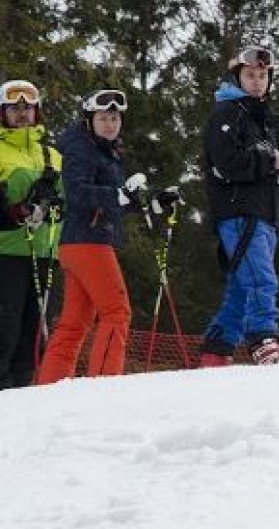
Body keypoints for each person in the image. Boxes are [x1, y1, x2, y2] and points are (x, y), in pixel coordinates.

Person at [37, 90, 177, 383]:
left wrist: (150, 201)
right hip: (88, 241)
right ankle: (103, 385)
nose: (110, 124)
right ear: (90, 120)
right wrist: (118, 194)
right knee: (116, 311)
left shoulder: (104, 150)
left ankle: (49, 387)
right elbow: (78, 193)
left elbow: (114, 203)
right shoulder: (81, 149)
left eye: (115, 118)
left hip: (81, 241)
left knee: (74, 323)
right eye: (103, 118)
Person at [198, 45, 279, 367]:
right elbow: (228, 162)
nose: (257, 81)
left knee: (241, 288)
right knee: (261, 278)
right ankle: (263, 342)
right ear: (238, 77)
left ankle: (215, 350)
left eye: (263, 76)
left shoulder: (259, 117)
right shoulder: (228, 113)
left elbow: (254, 165)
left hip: (263, 212)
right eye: (250, 75)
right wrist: (274, 159)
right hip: (240, 213)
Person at [0, 79, 64, 389]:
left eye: (28, 108)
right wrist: (16, 212)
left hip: (44, 253)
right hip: (6, 252)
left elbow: (67, 201)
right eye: (15, 108)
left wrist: (54, 206)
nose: (22, 113)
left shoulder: (51, 155)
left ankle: (21, 397)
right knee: (5, 330)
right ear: (4, 112)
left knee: (34, 334)